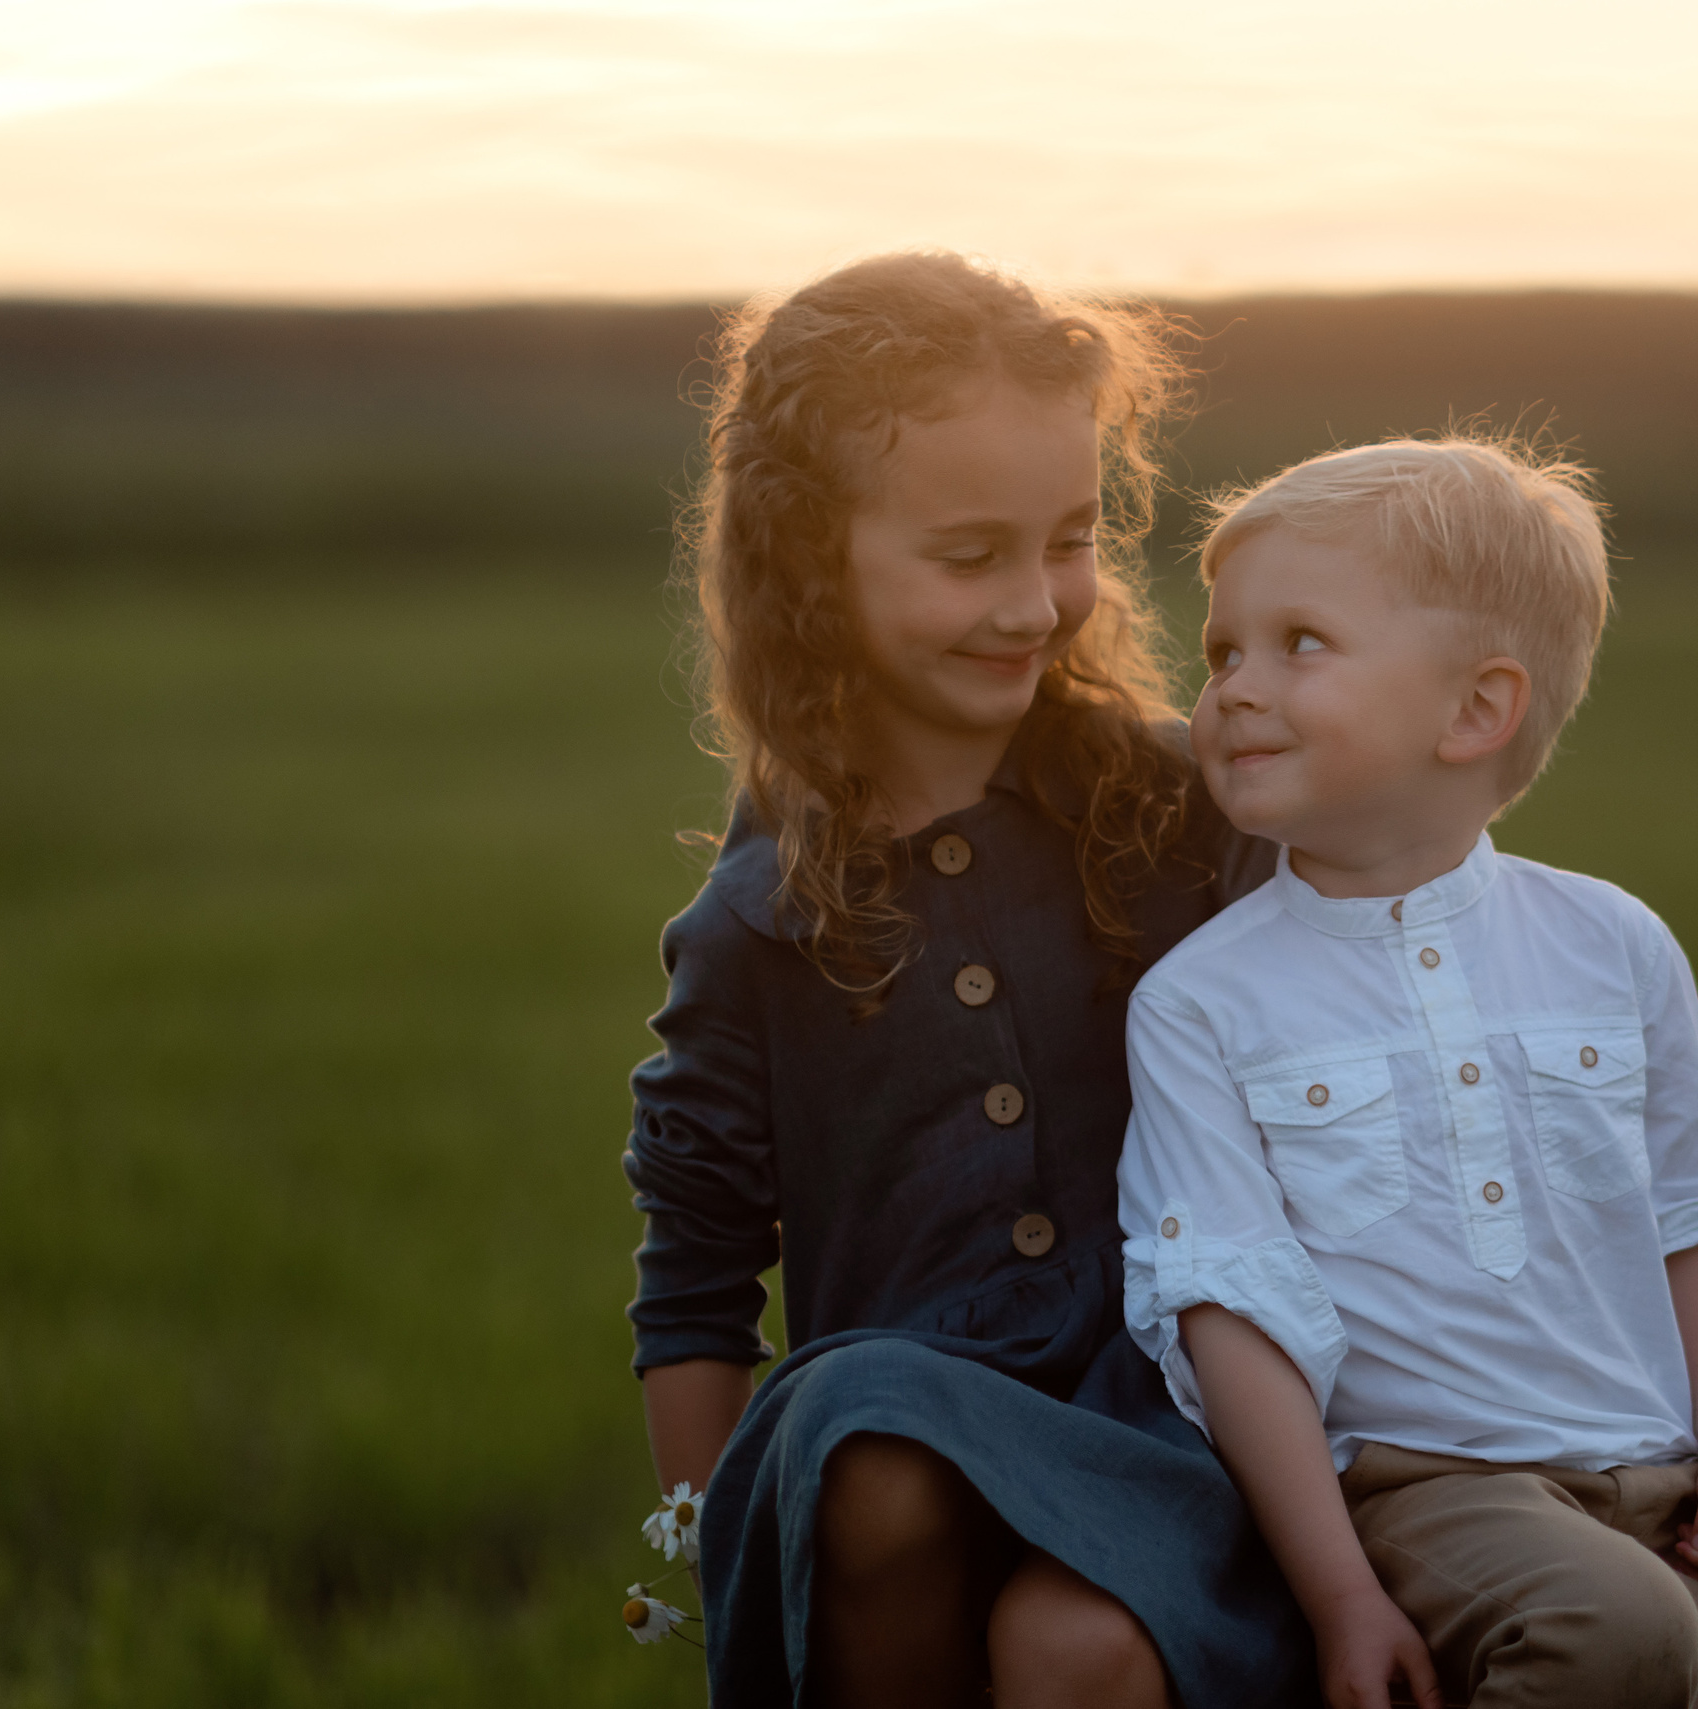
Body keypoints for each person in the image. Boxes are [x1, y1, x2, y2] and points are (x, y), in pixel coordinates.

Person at [622, 252, 1312, 1709]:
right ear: (810, 560)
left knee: (1086, 1649)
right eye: (970, 553)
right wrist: (716, 1551)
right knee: (864, 1441)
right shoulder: (762, 917)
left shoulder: (1188, 814)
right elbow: (692, 1278)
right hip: (899, 1456)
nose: (1035, 602)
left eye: (1068, 538)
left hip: (1176, 1415)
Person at [1116, 436, 1698, 1709]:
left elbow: (1695, 1211)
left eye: (1299, 643)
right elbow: (1229, 1310)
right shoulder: (1200, 1001)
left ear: (1476, 709)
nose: (1231, 689)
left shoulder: (1616, 944)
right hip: (1422, 1489)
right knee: (1610, 1626)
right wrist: (1339, 1594)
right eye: (1223, 652)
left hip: (1657, 1488)